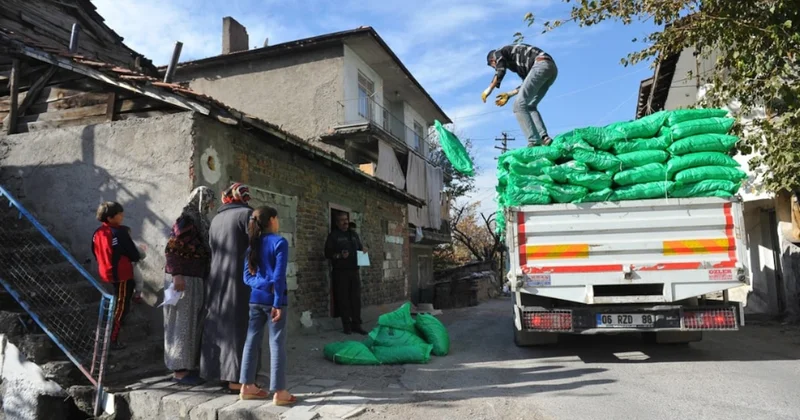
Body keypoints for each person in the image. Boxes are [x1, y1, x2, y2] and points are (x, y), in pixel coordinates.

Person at [238, 206, 296, 405]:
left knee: (251, 341)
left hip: (255, 300)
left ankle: (247, 386)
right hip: (274, 301)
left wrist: (262, 284)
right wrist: (277, 301)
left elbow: (246, 278)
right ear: (272, 219)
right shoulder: (280, 242)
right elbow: (279, 276)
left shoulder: (252, 246)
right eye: (277, 218)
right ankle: (280, 392)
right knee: (276, 343)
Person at [200, 182, 254, 393]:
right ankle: (236, 380)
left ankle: (219, 373)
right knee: (239, 326)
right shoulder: (247, 215)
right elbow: (256, 246)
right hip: (240, 279)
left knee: (218, 325)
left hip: (217, 279)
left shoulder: (216, 219)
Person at [163, 186, 215, 385]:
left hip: (195, 278)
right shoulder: (186, 221)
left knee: (191, 323)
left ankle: (186, 367)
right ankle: (180, 371)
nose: (211, 206)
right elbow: (172, 249)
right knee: (182, 324)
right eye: (210, 201)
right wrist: (177, 275)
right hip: (183, 278)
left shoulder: (200, 222)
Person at [482, 44, 558, 147]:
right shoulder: (519, 62)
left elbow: (500, 70)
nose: (495, 68)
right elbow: (527, 83)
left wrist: (489, 89)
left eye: (493, 66)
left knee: (518, 106)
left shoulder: (498, 52)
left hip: (540, 64)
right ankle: (544, 138)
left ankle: (534, 142)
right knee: (530, 106)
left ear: (492, 61)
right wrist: (509, 94)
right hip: (551, 69)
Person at [92, 201, 141, 350]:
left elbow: (95, 252)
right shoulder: (119, 233)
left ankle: (107, 337)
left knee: (114, 305)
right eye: (119, 214)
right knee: (120, 308)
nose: (122, 215)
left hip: (106, 274)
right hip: (122, 275)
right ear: (110, 217)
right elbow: (134, 254)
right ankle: (111, 340)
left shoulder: (97, 233)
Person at [325, 212, 367, 335]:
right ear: (337, 223)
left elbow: (360, 248)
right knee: (344, 299)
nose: (345, 222)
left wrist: (364, 249)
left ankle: (357, 325)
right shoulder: (334, 236)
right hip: (340, 272)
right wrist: (339, 256)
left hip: (354, 271)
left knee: (356, 299)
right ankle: (346, 326)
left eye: (346, 220)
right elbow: (327, 253)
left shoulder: (354, 235)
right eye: (342, 220)